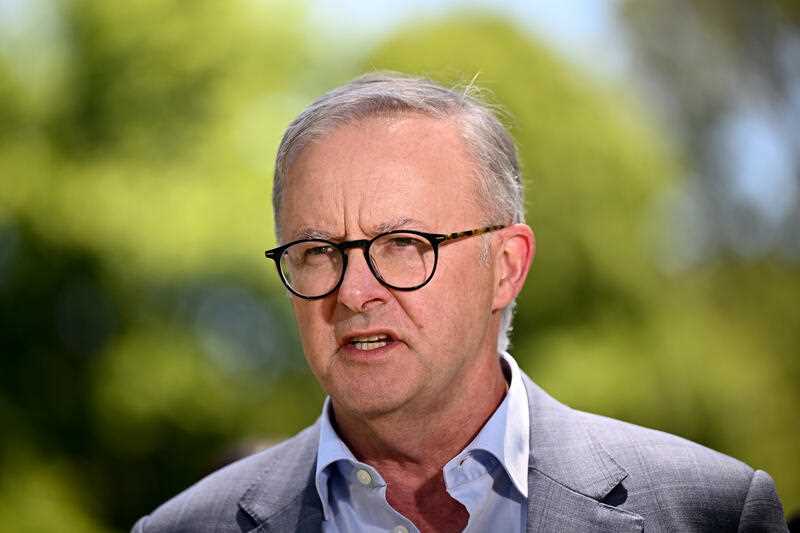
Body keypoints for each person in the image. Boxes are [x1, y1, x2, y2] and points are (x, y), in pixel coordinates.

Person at [133, 73, 788, 532]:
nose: (353, 292)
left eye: (403, 243)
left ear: (506, 267)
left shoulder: (712, 511)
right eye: (316, 251)